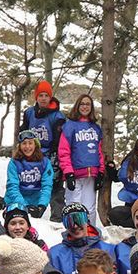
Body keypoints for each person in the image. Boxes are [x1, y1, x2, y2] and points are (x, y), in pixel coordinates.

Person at [47, 202, 116, 274]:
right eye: (69, 222)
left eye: (79, 219)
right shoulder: (55, 254)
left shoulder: (109, 250)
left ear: (87, 220)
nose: (75, 226)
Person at [57, 93, 105, 230]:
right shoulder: (70, 126)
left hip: (92, 174)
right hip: (75, 174)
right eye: (82, 104)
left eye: (88, 104)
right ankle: (72, 235)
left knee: (89, 209)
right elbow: (63, 151)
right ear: (78, 106)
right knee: (74, 207)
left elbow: (99, 152)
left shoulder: (96, 128)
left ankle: (91, 234)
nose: (85, 107)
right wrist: (68, 173)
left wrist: (101, 172)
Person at [20, 81, 67, 219]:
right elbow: (24, 131)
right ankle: (28, 212)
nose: (44, 98)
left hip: (51, 153)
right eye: (41, 95)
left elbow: (60, 140)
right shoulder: (29, 113)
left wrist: (56, 159)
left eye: (47, 95)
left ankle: (57, 217)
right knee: (29, 181)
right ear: (36, 97)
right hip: (32, 152)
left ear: (50, 97)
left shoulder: (57, 116)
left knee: (54, 185)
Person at [6, 129, 55, 217]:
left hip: (35, 202)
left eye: (30, 143)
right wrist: (24, 206)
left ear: (35, 145)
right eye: (24, 143)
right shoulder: (14, 163)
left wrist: (42, 206)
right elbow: (12, 187)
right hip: (16, 201)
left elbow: (47, 186)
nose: (27, 147)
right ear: (19, 146)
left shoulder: (45, 163)